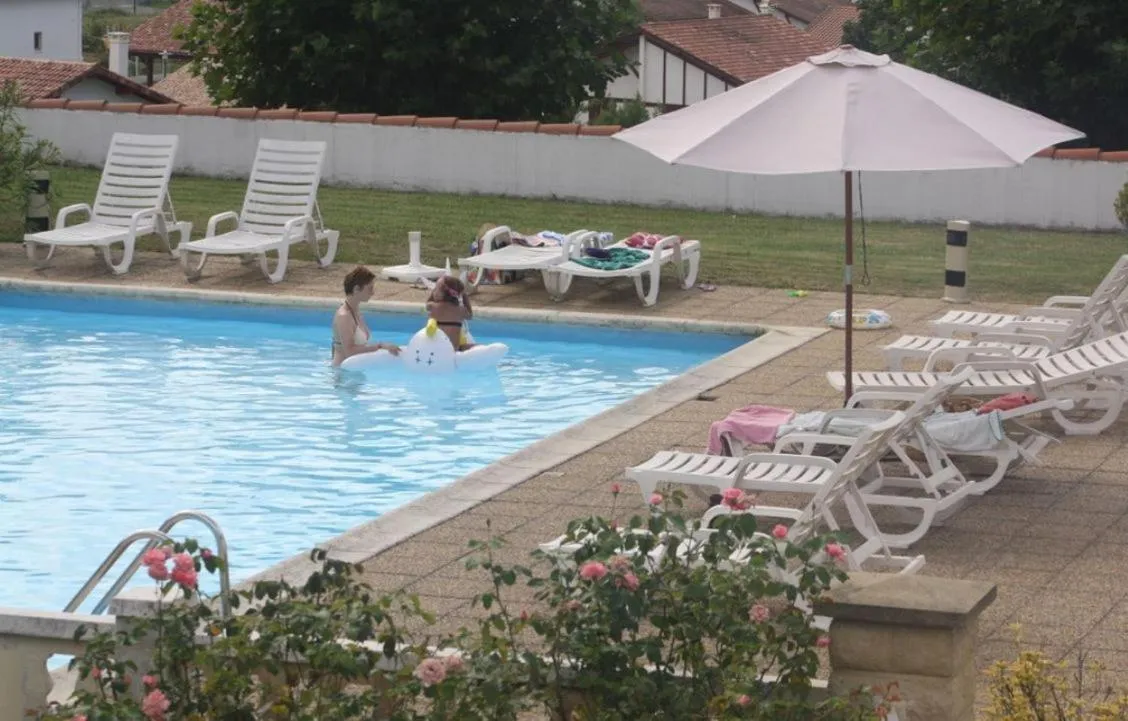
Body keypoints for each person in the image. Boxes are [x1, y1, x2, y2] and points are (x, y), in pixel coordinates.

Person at [331, 265, 401, 366]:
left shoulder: (356, 312)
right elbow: (349, 351)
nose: (373, 293)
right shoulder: (344, 316)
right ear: (356, 289)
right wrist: (380, 346)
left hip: (353, 370)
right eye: (370, 288)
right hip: (342, 372)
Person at [426, 275, 475, 351]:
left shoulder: (432, 307)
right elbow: (470, 316)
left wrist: (433, 294)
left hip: (435, 350)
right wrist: (464, 296)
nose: (434, 291)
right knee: (475, 346)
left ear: (442, 293)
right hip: (454, 350)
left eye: (436, 289)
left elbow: (428, 303)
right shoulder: (461, 310)